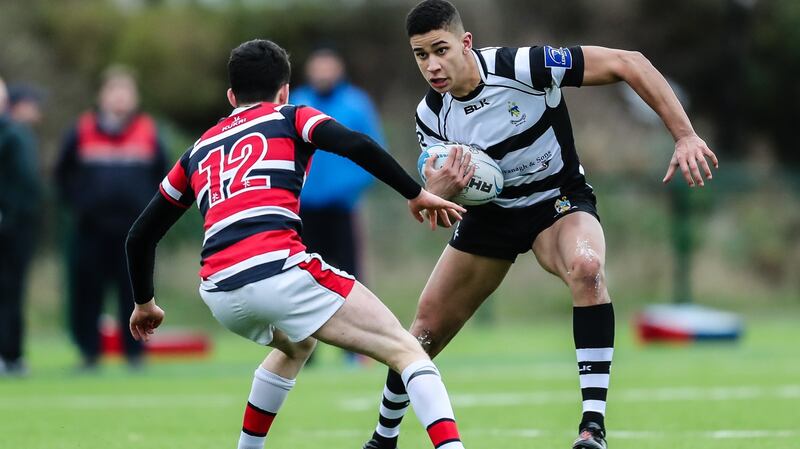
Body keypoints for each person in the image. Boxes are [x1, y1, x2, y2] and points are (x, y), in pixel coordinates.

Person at [361, 2, 720, 449]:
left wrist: (684, 135)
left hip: (556, 201)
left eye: (440, 49)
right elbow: (439, 193)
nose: (432, 65)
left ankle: (593, 427)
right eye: (420, 55)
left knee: (587, 269)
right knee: (423, 334)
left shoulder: (524, 67)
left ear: (465, 43)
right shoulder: (430, 116)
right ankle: (382, 439)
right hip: (491, 217)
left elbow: (631, 63)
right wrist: (439, 190)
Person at [126, 39, 469, 449]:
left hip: (219, 291)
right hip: (276, 270)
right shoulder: (289, 115)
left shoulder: (198, 150)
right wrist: (414, 192)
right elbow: (356, 144)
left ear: (231, 96)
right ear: (285, 90)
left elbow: (140, 236)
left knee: (297, 345)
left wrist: (144, 303)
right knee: (408, 350)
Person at [54, 66, 168, 370]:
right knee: (86, 293)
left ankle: (135, 354)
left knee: (135, 293)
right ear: (101, 96)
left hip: (135, 232)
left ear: (135, 97)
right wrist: (81, 206)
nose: (120, 97)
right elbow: (62, 176)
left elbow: (166, 179)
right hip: (90, 229)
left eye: (125, 91)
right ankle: (88, 353)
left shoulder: (149, 131)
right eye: (113, 91)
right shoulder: (82, 129)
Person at [291, 47, 387, 365]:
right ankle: (304, 351)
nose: (323, 74)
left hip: (343, 208)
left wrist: (345, 189)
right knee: (301, 279)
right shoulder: (297, 102)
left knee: (351, 278)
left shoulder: (356, 104)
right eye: (317, 68)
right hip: (303, 211)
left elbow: (374, 152)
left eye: (328, 68)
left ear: (339, 69)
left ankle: (356, 352)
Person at [0, 78, 44, 377]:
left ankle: (10, 354)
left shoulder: (15, 134)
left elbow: (28, 187)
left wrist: (11, 217)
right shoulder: (15, 134)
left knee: (9, 291)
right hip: (15, 227)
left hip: (12, 229)